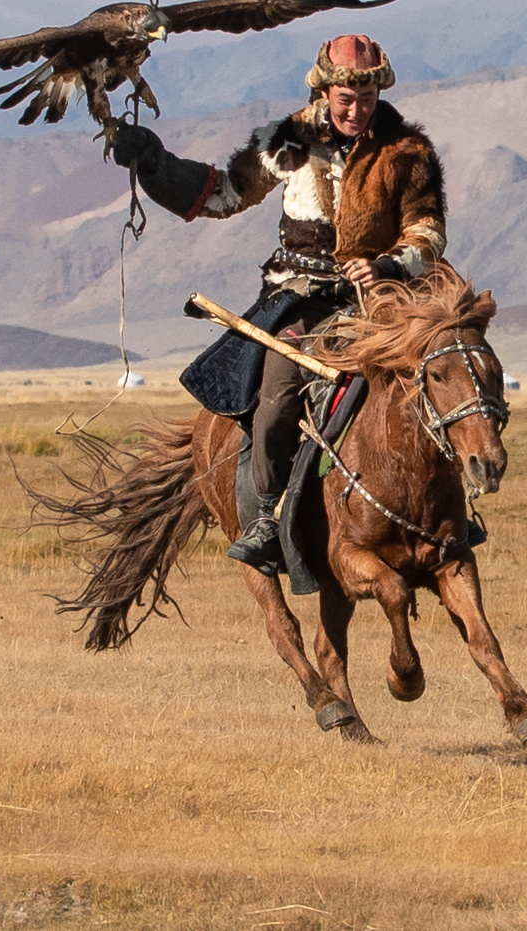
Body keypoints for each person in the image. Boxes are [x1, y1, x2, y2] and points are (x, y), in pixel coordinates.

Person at [106, 31, 448, 583]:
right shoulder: (284, 141)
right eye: (345, 101)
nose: (357, 111)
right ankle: (266, 516)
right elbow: (222, 194)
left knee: (450, 382)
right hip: (300, 303)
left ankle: (455, 511)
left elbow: (428, 231)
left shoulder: (407, 151)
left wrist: (387, 266)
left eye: (366, 100)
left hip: (379, 306)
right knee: (277, 395)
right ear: (323, 92)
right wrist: (154, 165)